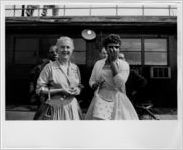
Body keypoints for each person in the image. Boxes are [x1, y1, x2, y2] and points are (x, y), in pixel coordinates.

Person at [85, 34, 139, 120]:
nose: (114, 49)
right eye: (110, 47)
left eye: (116, 47)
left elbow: (119, 83)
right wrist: (94, 85)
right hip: (101, 98)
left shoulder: (124, 65)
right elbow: (92, 80)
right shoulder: (98, 63)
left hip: (117, 99)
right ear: (106, 49)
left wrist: (113, 62)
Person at [34, 36, 83, 120]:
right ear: (58, 50)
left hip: (72, 107)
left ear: (72, 50)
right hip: (55, 108)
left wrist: (77, 90)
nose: (65, 50)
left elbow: (79, 85)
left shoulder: (75, 68)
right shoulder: (49, 67)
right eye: (62, 47)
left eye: (68, 47)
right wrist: (60, 90)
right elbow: (39, 89)